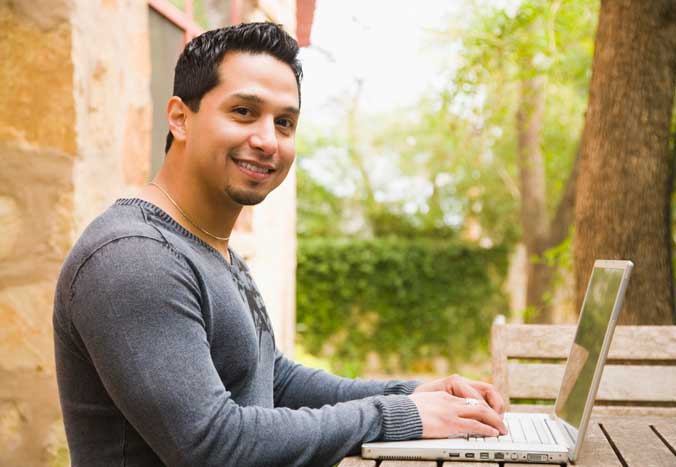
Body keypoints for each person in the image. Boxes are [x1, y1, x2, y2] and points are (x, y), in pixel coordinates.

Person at [53, 22, 507, 467]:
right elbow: (212, 446)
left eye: (285, 122)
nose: (268, 141)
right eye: (244, 112)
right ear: (179, 117)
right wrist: (397, 416)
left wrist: (410, 395)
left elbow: (274, 379)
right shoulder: (134, 257)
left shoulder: (208, 245)